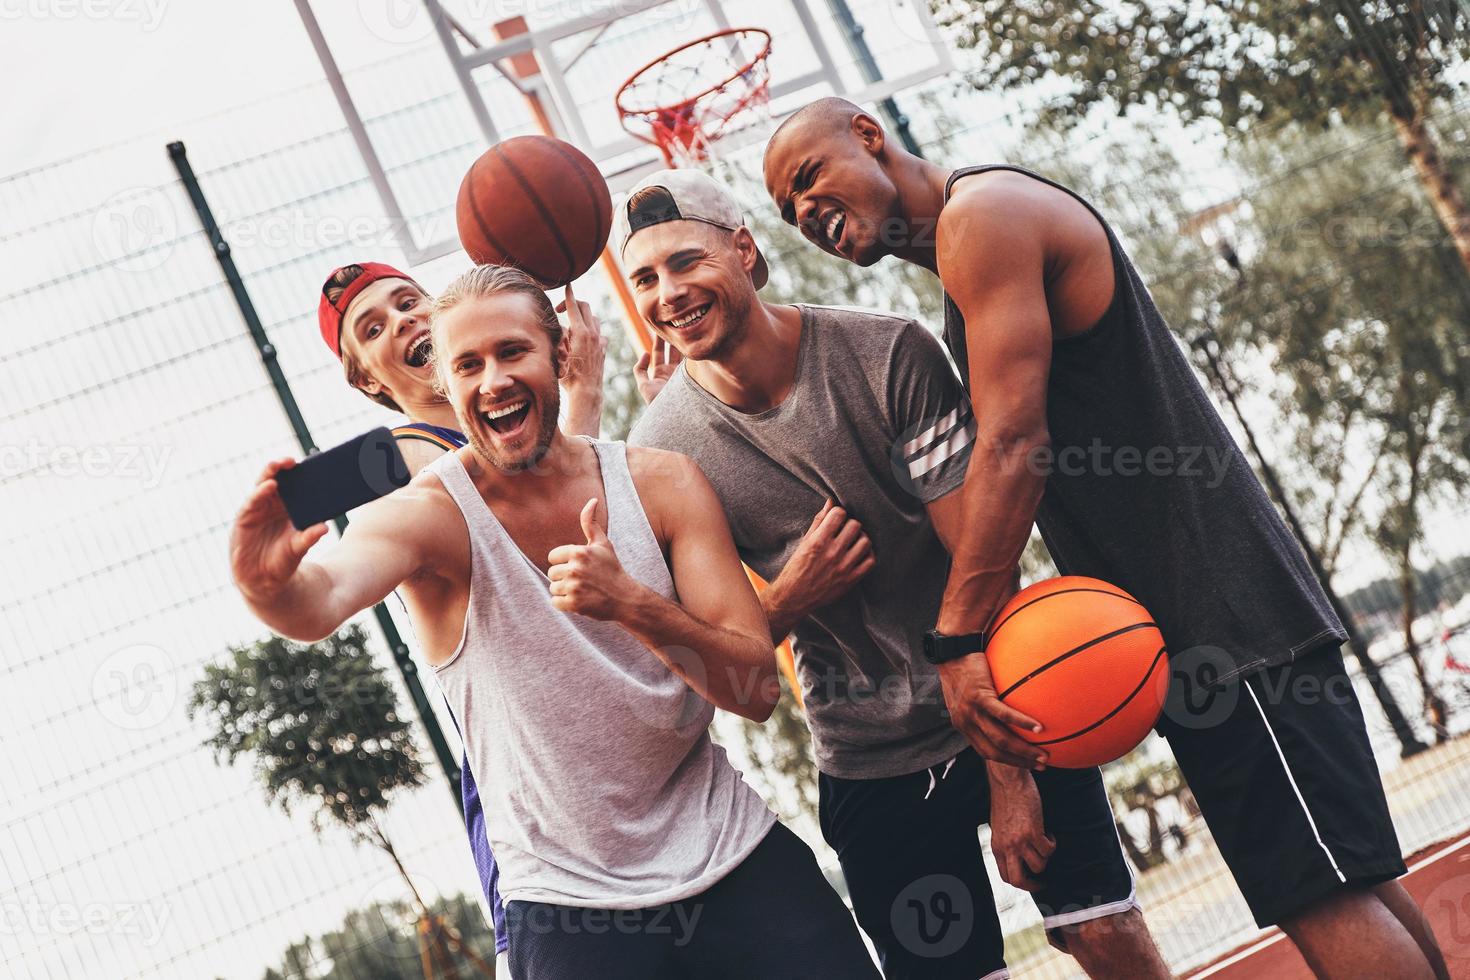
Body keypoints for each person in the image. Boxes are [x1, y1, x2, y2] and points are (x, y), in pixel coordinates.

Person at [763, 97, 1449, 980]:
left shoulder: (983, 219)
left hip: (1220, 609)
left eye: (807, 177)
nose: (804, 211)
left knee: (1323, 896)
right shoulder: (971, 244)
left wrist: (960, 637)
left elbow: (1016, 443)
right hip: (1214, 612)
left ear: (867, 133)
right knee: (1345, 883)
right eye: (786, 209)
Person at [235, 263, 881, 979]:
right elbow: (319, 596)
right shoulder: (419, 505)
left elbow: (756, 691)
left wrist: (630, 604)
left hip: (732, 856)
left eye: (513, 352)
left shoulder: (662, 481)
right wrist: (265, 586)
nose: (493, 378)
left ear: (558, 351)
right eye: (469, 364)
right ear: (430, 383)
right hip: (569, 898)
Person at [620, 169, 1169, 980]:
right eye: (645, 279)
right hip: (868, 756)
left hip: (1000, 697)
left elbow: (982, 556)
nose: (667, 291)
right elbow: (725, 663)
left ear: (743, 251)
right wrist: (789, 595)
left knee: (1101, 932)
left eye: (685, 262)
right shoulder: (663, 453)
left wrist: (1007, 774)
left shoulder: (886, 354)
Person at [316, 259, 608, 973]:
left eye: (409, 301)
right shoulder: (403, 456)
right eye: (374, 328)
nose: (404, 321)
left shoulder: (529, 431)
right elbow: (304, 493)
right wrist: (585, 397)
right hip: (526, 786)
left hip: (615, 734)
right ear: (369, 380)